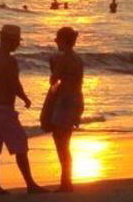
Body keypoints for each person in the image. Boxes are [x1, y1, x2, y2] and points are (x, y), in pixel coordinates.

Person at [0, 25, 47, 195]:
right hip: (5, 109)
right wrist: (25, 98)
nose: (17, 45)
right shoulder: (10, 61)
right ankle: (30, 184)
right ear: (9, 41)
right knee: (20, 145)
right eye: (16, 41)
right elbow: (14, 83)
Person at [48, 27, 84, 192]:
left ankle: (66, 182)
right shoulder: (78, 59)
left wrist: (52, 66)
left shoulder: (63, 59)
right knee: (66, 141)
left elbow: (53, 80)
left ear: (64, 40)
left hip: (64, 102)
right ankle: (66, 180)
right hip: (76, 100)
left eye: (57, 39)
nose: (56, 42)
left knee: (60, 142)